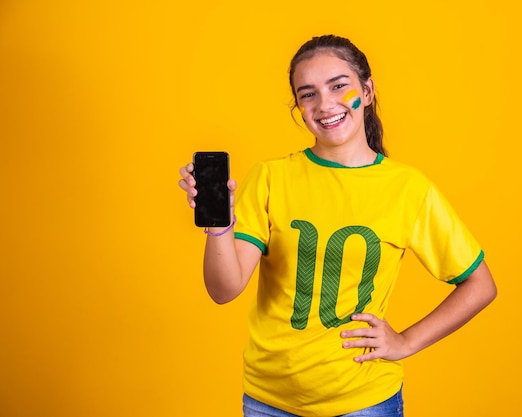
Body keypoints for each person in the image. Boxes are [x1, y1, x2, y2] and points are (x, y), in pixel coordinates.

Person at [178, 34, 497, 417]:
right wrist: (220, 226)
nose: (325, 103)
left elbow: (480, 285)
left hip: (363, 401)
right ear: (298, 105)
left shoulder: (408, 189)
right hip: (269, 400)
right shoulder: (270, 178)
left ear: (367, 89)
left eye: (339, 85)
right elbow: (223, 289)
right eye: (307, 93)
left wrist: (406, 342)